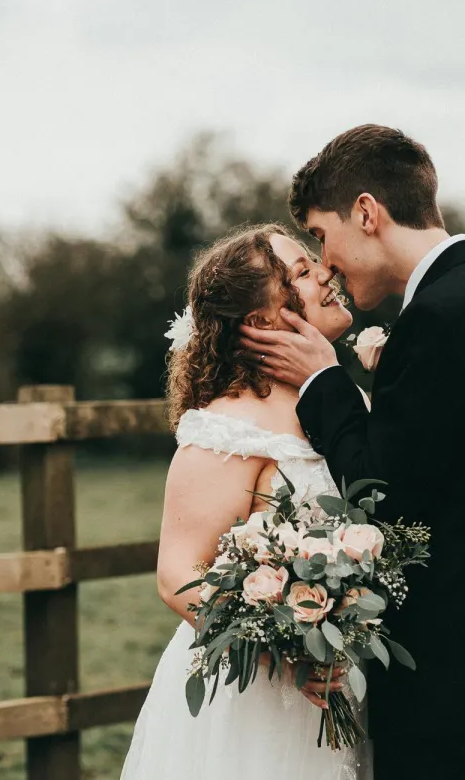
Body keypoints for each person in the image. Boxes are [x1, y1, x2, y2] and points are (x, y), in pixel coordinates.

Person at [240, 124, 465, 780]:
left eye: (320, 235)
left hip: (453, 688)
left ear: (366, 212)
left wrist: (323, 383)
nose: (326, 261)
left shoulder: (442, 321)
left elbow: (383, 498)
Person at [120, 223, 371, 779]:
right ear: (262, 322)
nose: (327, 273)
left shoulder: (343, 398)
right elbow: (177, 575)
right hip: (255, 700)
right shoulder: (226, 429)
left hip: (344, 683)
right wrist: (288, 652)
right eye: (302, 273)